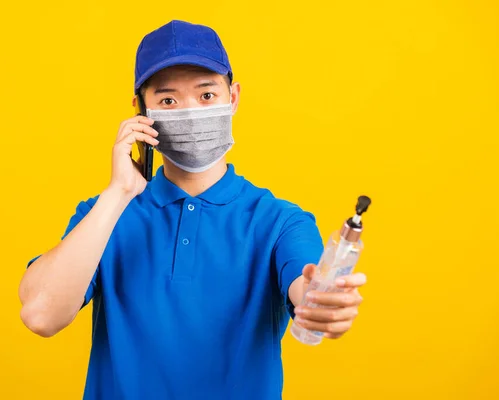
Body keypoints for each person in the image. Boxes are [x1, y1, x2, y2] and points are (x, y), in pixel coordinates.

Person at [19, 20, 367, 400]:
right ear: (140, 110)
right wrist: (119, 192)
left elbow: (307, 289)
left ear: (232, 97)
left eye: (206, 96)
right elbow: (40, 315)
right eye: (168, 100)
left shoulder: (280, 222)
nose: (189, 112)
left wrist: (322, 303)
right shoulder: (103, 216)